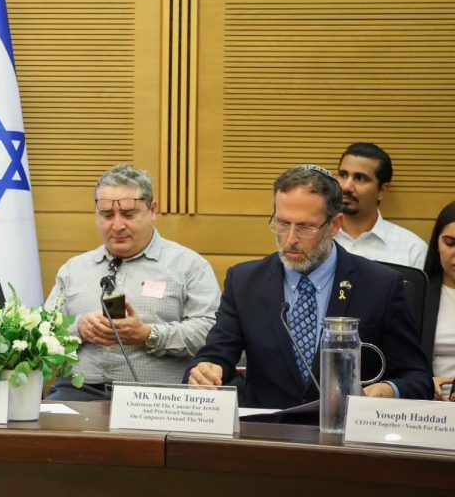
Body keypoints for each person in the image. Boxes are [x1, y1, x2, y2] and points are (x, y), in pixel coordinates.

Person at [186, 164, 432, 407]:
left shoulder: (380, 285)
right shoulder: (245, 282)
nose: (291, 239)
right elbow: (217, 353)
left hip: (346, 436)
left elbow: (418, 378)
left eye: (305, 227)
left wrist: (387, 390)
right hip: (267, 435)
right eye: (282, 224)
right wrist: (207, 369)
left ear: (335, 225)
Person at [44, 165, 220, 399]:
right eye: (107, 215)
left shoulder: (189, 266)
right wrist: (79, 329)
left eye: (128, 214)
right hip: (78, 390)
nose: (117, 225)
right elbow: (43, 333)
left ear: (153, 209)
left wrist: (148, 335)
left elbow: (211, 331)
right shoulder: (73, 270)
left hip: (154, 397)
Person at [334, 142, 426, 270]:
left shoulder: (412, 250)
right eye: (343, 175)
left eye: (360, 178)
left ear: (382, 191)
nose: (346, 186)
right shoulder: (316, 237)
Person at [420, 201, 455, 400]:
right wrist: (423, 383)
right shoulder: (418, 294)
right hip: (429, 408)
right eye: (449, 243)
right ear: (436, 244)